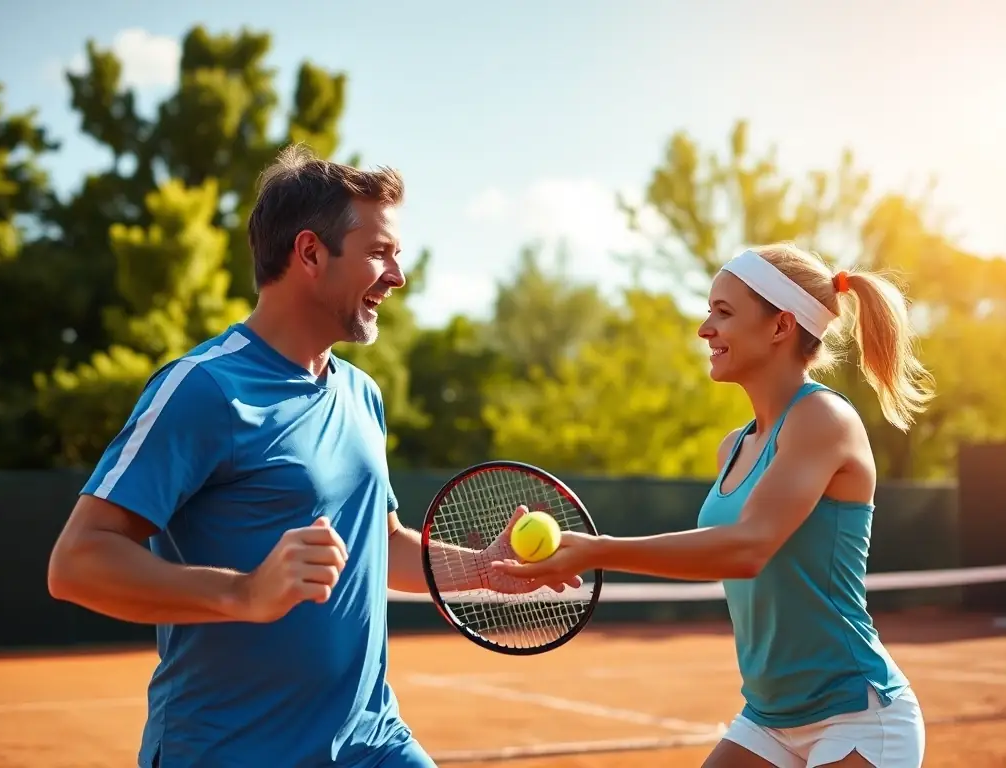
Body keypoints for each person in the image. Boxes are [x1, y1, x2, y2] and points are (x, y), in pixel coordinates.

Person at [46, 144, 581, 768]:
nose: (397, 275)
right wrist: (245, 592)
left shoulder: (362, 394)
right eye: (379, 252)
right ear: (309, 253)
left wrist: (482, 569)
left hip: (372, 741)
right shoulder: (201, 388)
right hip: (228, 751)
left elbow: (380, 544)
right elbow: (77, 563)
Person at [492, 243, 934, 768]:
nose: (705, 329)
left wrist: (596, 552)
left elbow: (747, 549)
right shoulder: (735, 445)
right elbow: (723, 550)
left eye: (723, 313)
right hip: (769, 716)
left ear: (780, 327)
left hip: (857, 715)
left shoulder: (822, 420)